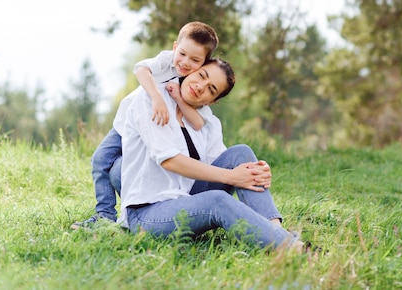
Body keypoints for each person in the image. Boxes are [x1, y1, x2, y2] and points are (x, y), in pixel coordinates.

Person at [117, 58, 302, 250]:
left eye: (211, 89)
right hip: (147, 213)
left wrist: (256, 171)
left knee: (241, 153)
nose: (200, 86)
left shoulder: (209, 123)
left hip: (186, 198)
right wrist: (233, 176)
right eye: (201, 75)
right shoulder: (152, 99)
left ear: (213, 101)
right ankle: (295, 250)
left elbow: (223, 167)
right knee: (217, 201)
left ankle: (275, 230)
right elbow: (169, 161)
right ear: (191, 71)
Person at [71, 22, 219, 229]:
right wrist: (156, 97)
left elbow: (198, 122)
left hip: (149, 136)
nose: (185, 63)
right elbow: (140, 69)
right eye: (182, 54)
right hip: (126, 126)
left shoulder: (192, 83)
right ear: (175, 47)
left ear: (204, 63)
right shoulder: (167, 60)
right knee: (100, 161)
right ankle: (104, 214)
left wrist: (178, 99)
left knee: (129, 168)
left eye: (195, 60)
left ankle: (140, 211)